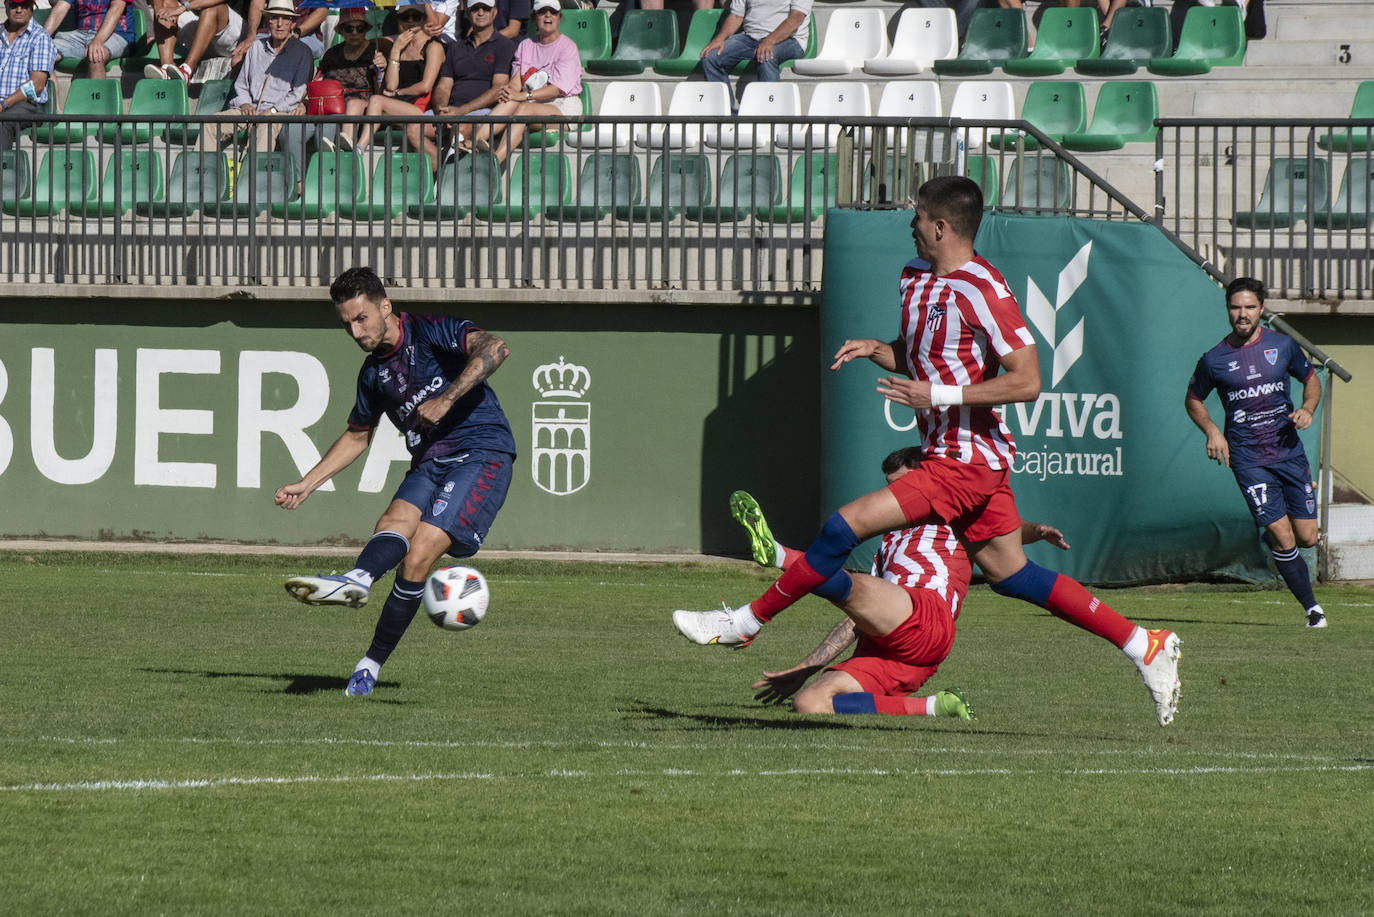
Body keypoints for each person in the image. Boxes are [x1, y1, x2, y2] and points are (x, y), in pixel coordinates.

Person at [674, 175, 1184, 727]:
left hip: (965, 460)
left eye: (916, 216)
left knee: (842, 528)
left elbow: (1028, 380)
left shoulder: (984, 287)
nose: (909, 224)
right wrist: (880, 349)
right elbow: (922, 356)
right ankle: (1143, 643)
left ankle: (744, 623)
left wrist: (936, 394)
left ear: (941, 227)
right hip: (954, 453)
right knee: (1014, 575)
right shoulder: (914, 277)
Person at [276, 267, 516, 699]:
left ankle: (371, 663)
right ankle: (358, 579)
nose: (355, 330)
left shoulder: (431, 331)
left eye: (361, 317)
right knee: (393, 519)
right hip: (430, 460)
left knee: (419, 554)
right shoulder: (373, 374)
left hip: (482, 452)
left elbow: (495, 347)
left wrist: (447, 398)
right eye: (347, 323)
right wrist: (307, 484)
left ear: (385, 307)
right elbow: (356, 436)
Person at [735, 448, 1070, 718]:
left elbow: (1001, 534)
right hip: (897, 649)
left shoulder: (949, 516)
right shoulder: (887, 544)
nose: (894, 493)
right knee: (811, 703)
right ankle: (936, 706)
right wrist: (807, 667)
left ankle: (783, 556)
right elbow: (858, 616)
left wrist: (1036, 531)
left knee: (849, 583)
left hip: (928, 619)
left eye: (900, 483)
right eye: (889, 485)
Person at [1185, 277, 1326, 628]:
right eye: (1235, 307)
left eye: (1249, 307)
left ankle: (1273, 535)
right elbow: (1193, 400)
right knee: (1283, 534)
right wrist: (1213, 431)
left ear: (1262, 309)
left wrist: (1308, 408)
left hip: (1288, 452)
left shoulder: (1283, 346)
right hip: (1248, 458)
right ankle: (1313, 611)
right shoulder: (1214, 359)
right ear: (1228, 310)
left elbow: (1311, 379)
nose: (1242, 314)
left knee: (1307, 537)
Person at [467, 0, 580, 164]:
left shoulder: (568, 47)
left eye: (552, 12)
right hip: (531, 103)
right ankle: (473, 143)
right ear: (534, 18)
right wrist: (510, 92)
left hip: (563, 106)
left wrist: (521, 95)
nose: (548, 15)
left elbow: (555, 90)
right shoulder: (525, 45)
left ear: (559, 17)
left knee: (522, 107)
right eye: (542, 11)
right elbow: (516, 80)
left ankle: (495, 161)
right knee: (514, 102)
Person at [198, 0, 310, 158]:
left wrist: (271, 111)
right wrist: (244, 104)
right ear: (267, 20)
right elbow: (242, 85)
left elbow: (297, 94)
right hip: (251, 109)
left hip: (278, 112)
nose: (279, 24)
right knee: (210, 124)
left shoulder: (302, 53)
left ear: (292, 23)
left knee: (265, 127)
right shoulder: (256, 47)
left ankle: (255, 181)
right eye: (274, 18)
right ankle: (202, 177)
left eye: (285, 19)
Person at [279, 6, 381, 177]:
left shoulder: (376, 52)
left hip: (360, 107)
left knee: (326, 131)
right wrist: (304, 103)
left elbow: (382, 90)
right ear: (341, 30)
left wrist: (381, 69)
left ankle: (330, 180)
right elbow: (318, 81)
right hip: (329, 106)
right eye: (349, 28)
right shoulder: (332, 54)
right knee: (290, 131)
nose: (354, 32)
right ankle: (298, 182)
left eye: (360, 28)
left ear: (366, 29)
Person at [344, 0, 444, 154]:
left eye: (415, 16)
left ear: (424, 19)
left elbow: (425, 86)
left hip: (420, 109)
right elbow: (390, 86)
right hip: (396, 105)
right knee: (353, 104)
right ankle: (346, 149)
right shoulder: (399, 46)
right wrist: (396, 51)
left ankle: (360, 148)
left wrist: (399, 93)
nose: (410, 21)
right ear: (399, 20)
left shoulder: (433, 47)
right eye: (405, 17)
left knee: (376, 100)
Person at [425, 0, 516, 170]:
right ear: (468, 13)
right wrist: (441, 110)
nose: (480, 12)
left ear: (494, 12)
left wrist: (461, 111)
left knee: (463, 126)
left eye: (486, 9)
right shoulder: (456, 48)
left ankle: (449, 178)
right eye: (475, 8)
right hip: (451, 111)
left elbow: (498, 89)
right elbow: (443, 86)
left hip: (482, 112)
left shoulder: (505, 45)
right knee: (413, 127)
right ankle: (442, 169)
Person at [699, 0, 810, 109]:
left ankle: (772, 115)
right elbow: (736, 16)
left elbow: (796, 17)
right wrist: (720, 38)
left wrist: (770, 40)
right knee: (710, 57)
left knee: (767, 55)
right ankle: (727, 116)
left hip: (790, 40)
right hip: (750, 37)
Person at [0, 0, 56, 152]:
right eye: (14, 5)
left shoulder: (40, 38)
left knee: (3, 120)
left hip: (27, 105)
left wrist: (4, 104)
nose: (19, 10)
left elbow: (36, 85)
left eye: (24, 5)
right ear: (6, 5)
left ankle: (3, 174)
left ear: (33, 7)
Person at [144, 0, 248, 82]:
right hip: (202, 28)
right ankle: (167, 70)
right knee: (167, 3)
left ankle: (186, 71)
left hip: (234, 35)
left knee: (212, 7)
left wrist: (183, 7)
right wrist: (160, 13)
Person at [44, 0, 136, 80]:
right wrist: (41, 38)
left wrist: (98, 40)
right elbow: (60, 10)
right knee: (42, 53)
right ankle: (51, 99)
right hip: (81, 34)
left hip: (117, 34)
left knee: (96, 56)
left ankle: (97, 99)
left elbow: (116, 8)